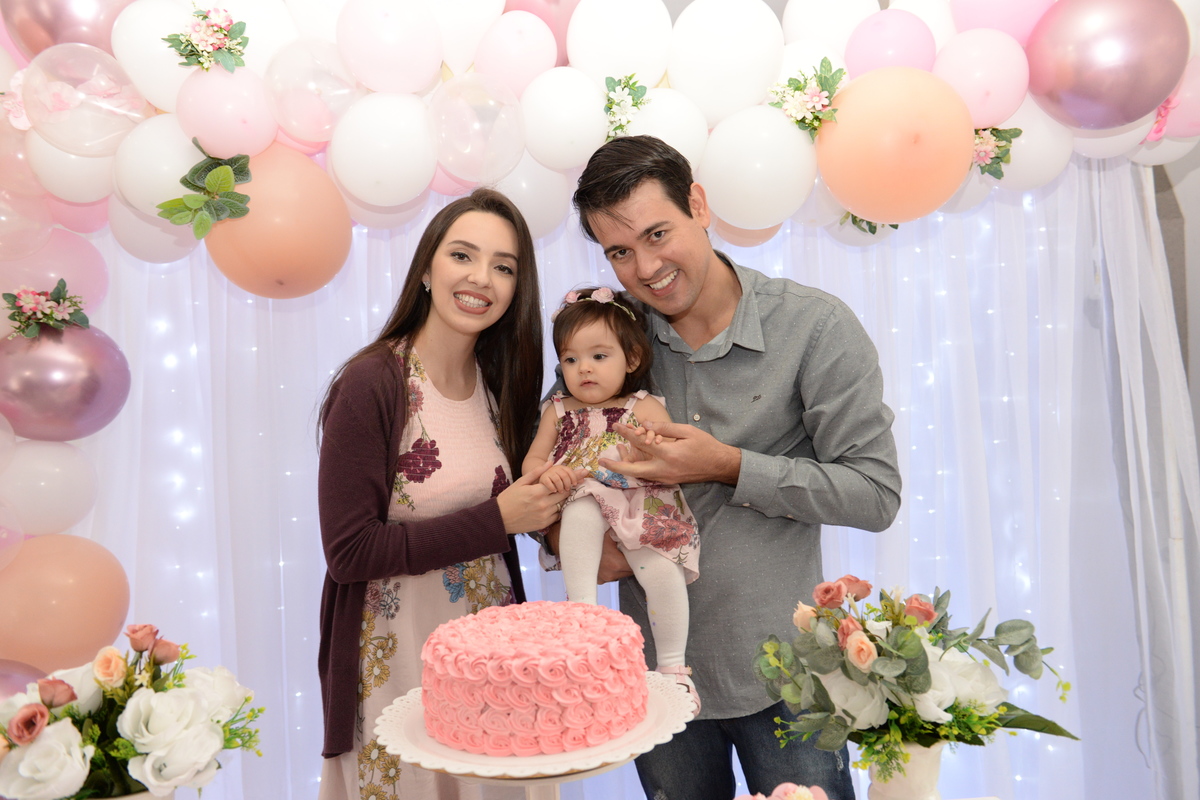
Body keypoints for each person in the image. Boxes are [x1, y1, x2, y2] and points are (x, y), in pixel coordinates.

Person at [556, 136, 903, 800]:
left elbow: (875, 493)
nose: (646, 268)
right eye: (619, 252)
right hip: (659, 684)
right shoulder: (610, 339)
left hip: (788, 678)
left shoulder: (814, 328)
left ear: (698, 204)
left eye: (657, 234)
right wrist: (571, 540)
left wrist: (727, 466)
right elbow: (557, 463)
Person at [316, 189, 568, 800]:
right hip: (400, 656)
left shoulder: (501, 385)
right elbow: (348, 552)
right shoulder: (373, 381)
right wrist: (497, 520)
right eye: (462, 255)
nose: (481, 278)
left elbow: (515, 515)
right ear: (427, 269)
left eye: (503, 266)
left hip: (493, 657)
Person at [523, 286, 702, 709]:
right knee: (582, 509)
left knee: (662, 573)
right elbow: (532, 460)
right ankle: (583, 621)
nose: (583, 368)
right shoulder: (557, 411)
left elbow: (667, 453)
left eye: (599, 356)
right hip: (584, 496)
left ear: (632, 359)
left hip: (638, 505)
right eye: (570, 359)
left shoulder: (643, 406)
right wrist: (547, 473)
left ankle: (674, 668)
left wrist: (642, 452)